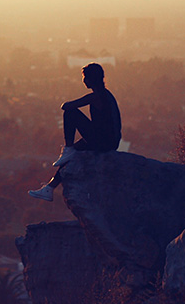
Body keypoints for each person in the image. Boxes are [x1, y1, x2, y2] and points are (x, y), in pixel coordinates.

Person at [28, 62, 122, 201]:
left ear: (90, 79)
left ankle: (68, 147)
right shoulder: (106, 95)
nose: (83, 81)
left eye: (85, 77)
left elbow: (66, 106)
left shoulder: (96, 96)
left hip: (103, 141)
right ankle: (50, 188)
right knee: (71, 156)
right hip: (108, 140)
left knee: (70, 113)